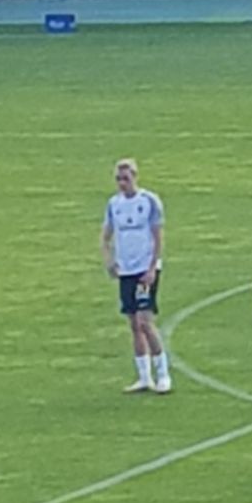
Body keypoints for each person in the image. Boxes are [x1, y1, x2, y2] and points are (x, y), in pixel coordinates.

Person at [101, 158, 172, 394]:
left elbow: (158, 236)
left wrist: (152, 268)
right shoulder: (114, 204)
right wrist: (110, 260)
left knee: (145, 321)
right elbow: (106, 235)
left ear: (135, 177)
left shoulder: (149, 201)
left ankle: (163, 374)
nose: (122, 183)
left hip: (144, 270)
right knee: (133, 324)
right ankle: (144, 377)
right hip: (126, 270)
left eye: (126, 178)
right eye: (118, 179)